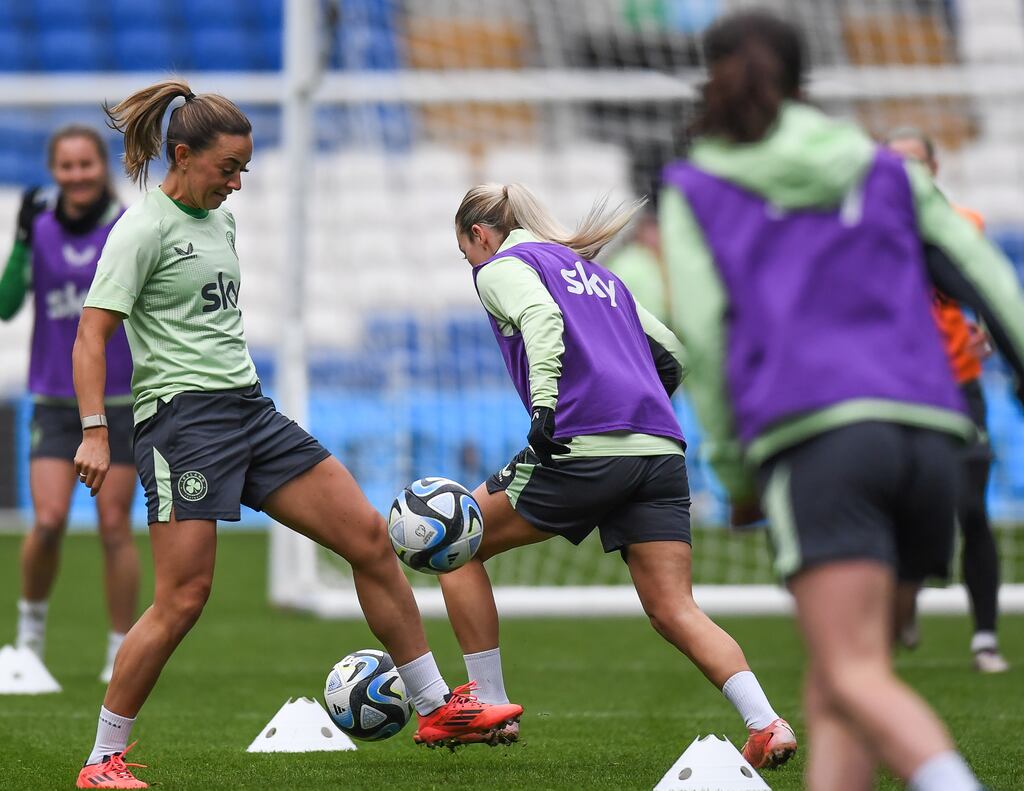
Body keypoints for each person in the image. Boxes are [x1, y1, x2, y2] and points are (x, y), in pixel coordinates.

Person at [71, 80, 522, 790]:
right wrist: (96, 430)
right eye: (229, 168)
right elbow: (91, 336)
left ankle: (437, 707)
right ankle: (102, 759)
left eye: (245, 168)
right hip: (182, 423)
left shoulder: (219, 222)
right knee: (184, 597)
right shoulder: (141, 231)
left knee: (371, 540)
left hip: (250, 410)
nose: (239, 183)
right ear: (182, 156)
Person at [658, 11, 1024, 791]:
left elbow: (708, 337)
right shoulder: (886, 170)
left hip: (817, 436)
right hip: (932, 434)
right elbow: (984, 274)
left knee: (854, 672)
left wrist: (734, 469)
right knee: (840, 683)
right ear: (802, 81)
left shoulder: (697, 187)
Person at [438, 182, 798, 769]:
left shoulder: (502, 266)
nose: (471, 266)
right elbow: (673, 353)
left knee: (456, 544)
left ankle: (489, 704)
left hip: (583, 444)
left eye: (466, 253)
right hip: (659, 452)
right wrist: (639, 417)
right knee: (674, 607)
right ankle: (766, 724)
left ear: (480, 235)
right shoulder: (597, 275)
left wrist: (547, 407)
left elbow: (539, 316)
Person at [0, 125, 138, 683]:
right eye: (67, 166)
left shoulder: (127, 227)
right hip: (57, 401)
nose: (77, 175)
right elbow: (6, 307)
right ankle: (29, 633)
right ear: (54, 170)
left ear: (101, 167)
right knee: (50, 520)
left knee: (113, 528)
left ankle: (120, 649)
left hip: (122, 400)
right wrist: (20, 240)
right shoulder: (39, 224)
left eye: (86, 165)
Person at [885, 127, 1008, 673]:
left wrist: (985, 326)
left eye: (915, 162)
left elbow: (987, 287)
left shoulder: (965, 226)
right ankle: (905, 600)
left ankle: (984, 637)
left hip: (958, 386)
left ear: (934, 169)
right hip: (897, 390)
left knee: (971, 507)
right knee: (899, 506)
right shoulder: (873, 235)